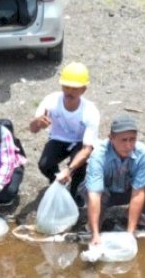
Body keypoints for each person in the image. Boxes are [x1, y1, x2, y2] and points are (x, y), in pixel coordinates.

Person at [84, 114, 145, 245]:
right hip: (103, 194)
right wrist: (95, 234)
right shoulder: (99, 154)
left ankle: (137, 216)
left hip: (127, 190)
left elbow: (138, 192)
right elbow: (94, 194)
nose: (128, 145)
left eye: (132, 139)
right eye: (123, 140)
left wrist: (130, 234)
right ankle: (95, 223)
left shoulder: (142, 152)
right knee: (94, 228)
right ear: (111, 138)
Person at [29, 62, 100, 203]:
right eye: (66, 87)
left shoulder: (90, 111)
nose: (69, 92)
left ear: (83, 90)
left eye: (75, 88)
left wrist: (70, 169)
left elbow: (87, 149)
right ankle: (57, 181)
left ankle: (75, 191)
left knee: (80, 165)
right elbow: (32, 129)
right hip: (59, 139)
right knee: (44, 164)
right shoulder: (51, 101)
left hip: (80, 142)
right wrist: (38, 122)